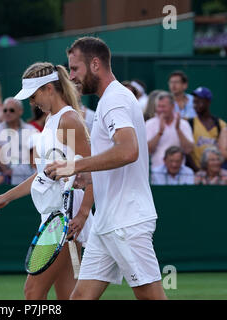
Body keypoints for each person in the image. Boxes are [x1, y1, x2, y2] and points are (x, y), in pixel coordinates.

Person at [45, 36, 167, 300]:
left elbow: (128, 150)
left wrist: (75, 164)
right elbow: (116, 156)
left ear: (96, 64)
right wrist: (88, 173)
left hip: (127, 222)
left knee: (151, 298)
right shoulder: (109, 100)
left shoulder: (114, 100)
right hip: (107, 222)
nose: (72, 76)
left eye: (75, 68)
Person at [0, 61, 94, 300]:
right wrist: (6, 197)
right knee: (68, 295)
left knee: (33, 292)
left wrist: (83, 214)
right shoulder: (51, 120)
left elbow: (93, 168)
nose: (32, 102)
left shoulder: (68, 120)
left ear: (50, 89)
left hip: (67, 215)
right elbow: (43, 173)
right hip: (56, 214)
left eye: (34, 96)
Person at [146, 91, 194, 169]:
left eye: (163, 106)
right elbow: (147, 150)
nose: (160, 110)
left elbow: (188, 149)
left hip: (179, 171)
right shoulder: (149, 124)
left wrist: (178, 130)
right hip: (156, 173)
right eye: (159, 106)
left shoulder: (183, 124)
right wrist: (160, 133)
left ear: (172, 106)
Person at [0, 97, 38, 185]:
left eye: (11, 110)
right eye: (5, 110)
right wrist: (6, 171)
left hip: (27, 173)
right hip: (3, 175)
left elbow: (35, 155)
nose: (8, 113)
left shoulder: (31, 130)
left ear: (20, 111)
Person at [187, 86, 227, 172]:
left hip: (216, 172)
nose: (195, 105)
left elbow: (223, 152)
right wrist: (196, 170)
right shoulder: (189, 123)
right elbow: (187, 152)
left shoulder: (220, 124)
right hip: (196, 172)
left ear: (208, 102)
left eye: (199, 102)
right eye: (194, 102)